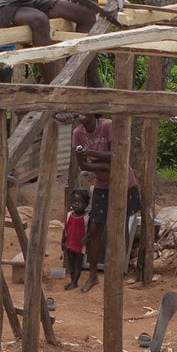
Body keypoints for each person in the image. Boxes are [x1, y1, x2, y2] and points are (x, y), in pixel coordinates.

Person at [71, 112, 140, 291]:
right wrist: (101, 162)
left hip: (124, 182)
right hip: (102, 184)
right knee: (95, 229)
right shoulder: (78, 133)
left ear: (94, 110)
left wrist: (91, 154)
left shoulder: (107, 126)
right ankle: (93, 276)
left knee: (121, 226)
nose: (78, 113)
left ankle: (118, 273)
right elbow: (83, 165)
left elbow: (118, 156)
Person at [61, 187, 90, 287]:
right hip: (69, 243)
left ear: (86, 204)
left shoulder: (87, 217)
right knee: (70, 263)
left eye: (80, 202)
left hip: (80, 245)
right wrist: (62, 241)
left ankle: (74, 282)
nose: (76, 204)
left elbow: (90, 231)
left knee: (77, 263)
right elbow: (65, 229)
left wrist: (86, 239)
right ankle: (73, 281)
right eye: (74, 201)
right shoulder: (69, 214)